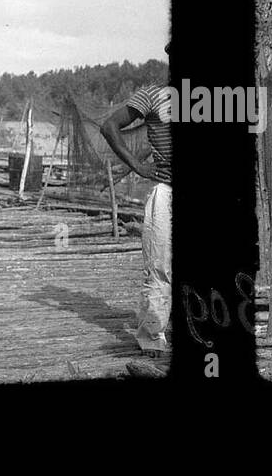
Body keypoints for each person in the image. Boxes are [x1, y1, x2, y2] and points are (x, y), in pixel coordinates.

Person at [100, 42, 172, 360]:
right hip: (166, 193)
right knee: (160, 268)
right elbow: (109, 125)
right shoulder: (153, 95)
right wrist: (137, 165)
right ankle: (152, 335)